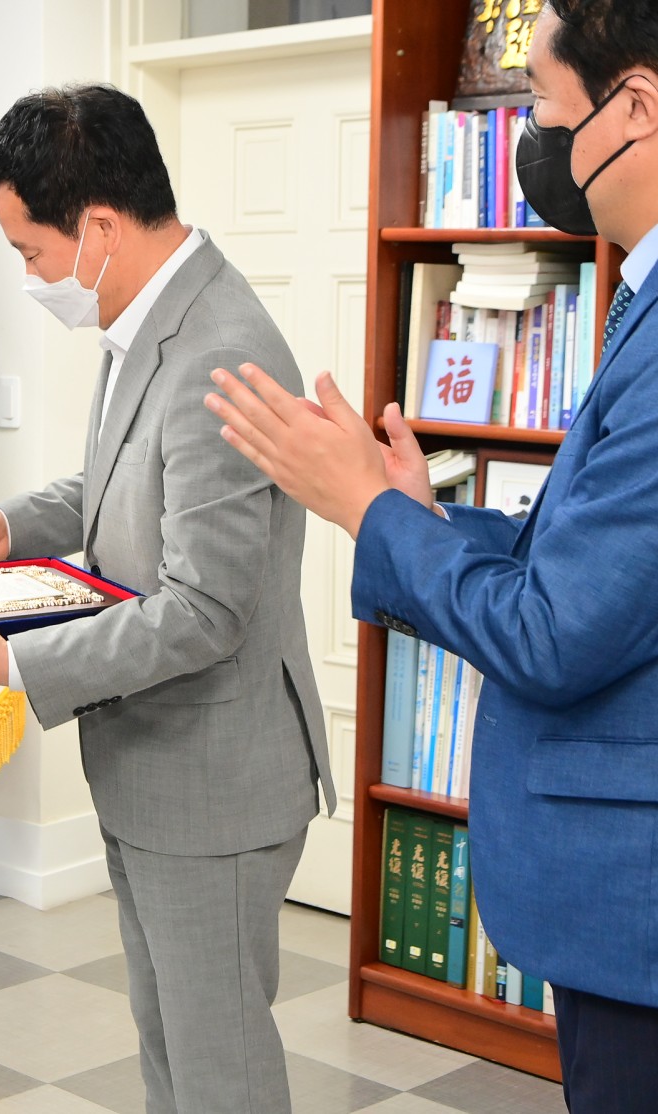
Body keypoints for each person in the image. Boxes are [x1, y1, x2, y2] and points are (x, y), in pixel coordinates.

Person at [205, 4, 658, 1108]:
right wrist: (422, 516)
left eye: (543, 105)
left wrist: (369, 508)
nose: (536, 142)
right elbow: (599, 565)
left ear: (636, 107)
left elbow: (555, 635)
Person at [0, 85, 335, 1114]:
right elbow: (121, 474)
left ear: (100, 229)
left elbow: (204, 609)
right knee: (170, 1045)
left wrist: (9, 659)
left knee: (218, 1071)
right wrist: (13, 527)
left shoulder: (216, 347)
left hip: (211, 777)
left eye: (32, 253)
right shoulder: (155, 318)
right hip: (155, 761)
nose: (31, 277)